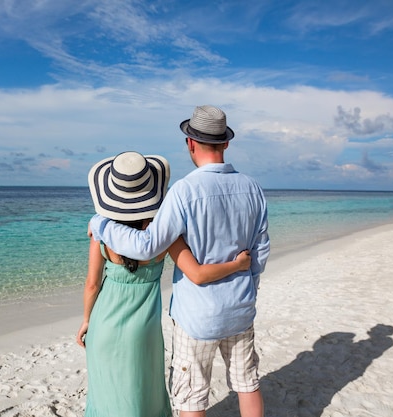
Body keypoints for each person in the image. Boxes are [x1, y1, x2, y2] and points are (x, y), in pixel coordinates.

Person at [89, 106, 270, 417]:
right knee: (247, 383)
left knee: (191, 396)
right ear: (226, 143)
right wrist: (245, 288)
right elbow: (261, 252)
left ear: (190, 143)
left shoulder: (183, 192)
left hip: (197, 315)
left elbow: (146, 246)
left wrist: (102, 224)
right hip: (240, 307)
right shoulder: (252, 187)